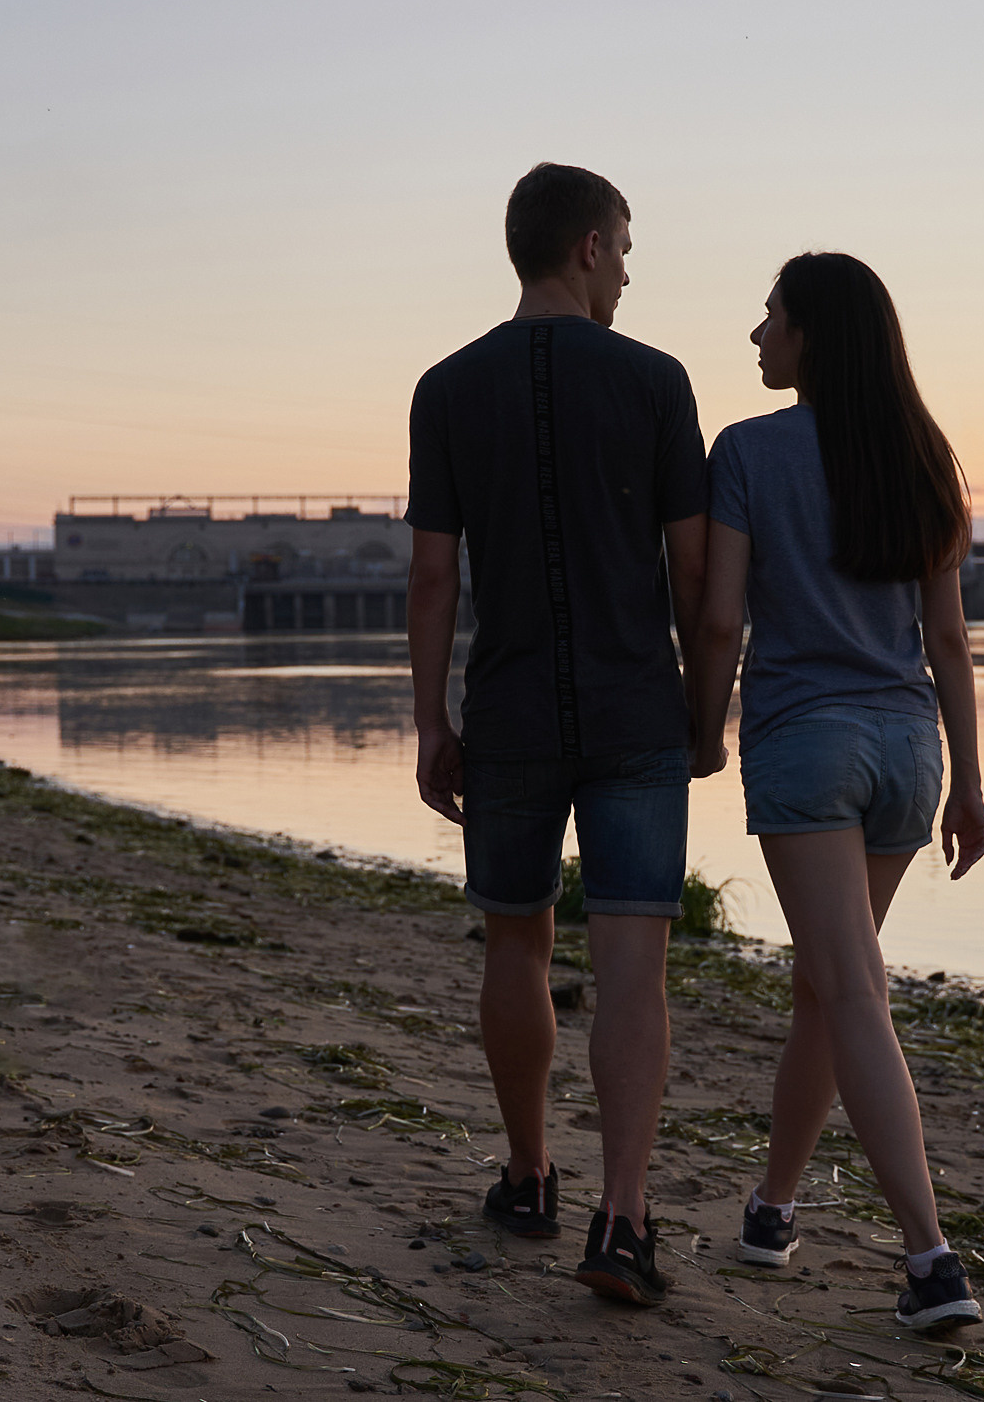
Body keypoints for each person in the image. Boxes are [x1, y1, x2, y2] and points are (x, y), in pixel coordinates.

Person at [406, 163, 710, 1306]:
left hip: (515, 709)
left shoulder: (445, 388)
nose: (628, 271)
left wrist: (431, 719)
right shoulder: (655, 383)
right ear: (586, 245)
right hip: (636, 711)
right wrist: (703, 703)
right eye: (624, 249)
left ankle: (530, 1175)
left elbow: (434, 575)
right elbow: (693, 568)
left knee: (515, 943)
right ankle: (622, 1221)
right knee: (635, 960)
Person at [685, 251, 984, 1331]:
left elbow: (720, 619)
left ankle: (929, 1262)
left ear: (812, 334)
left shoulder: (747, 452)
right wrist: (971, 786)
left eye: (769, 319)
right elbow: (946, 638)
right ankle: (771, 1208)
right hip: (910, 752)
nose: (757, 337)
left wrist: (701, 729)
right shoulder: (920, 453)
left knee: (850, 989)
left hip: (806, 746)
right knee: (828, 984)